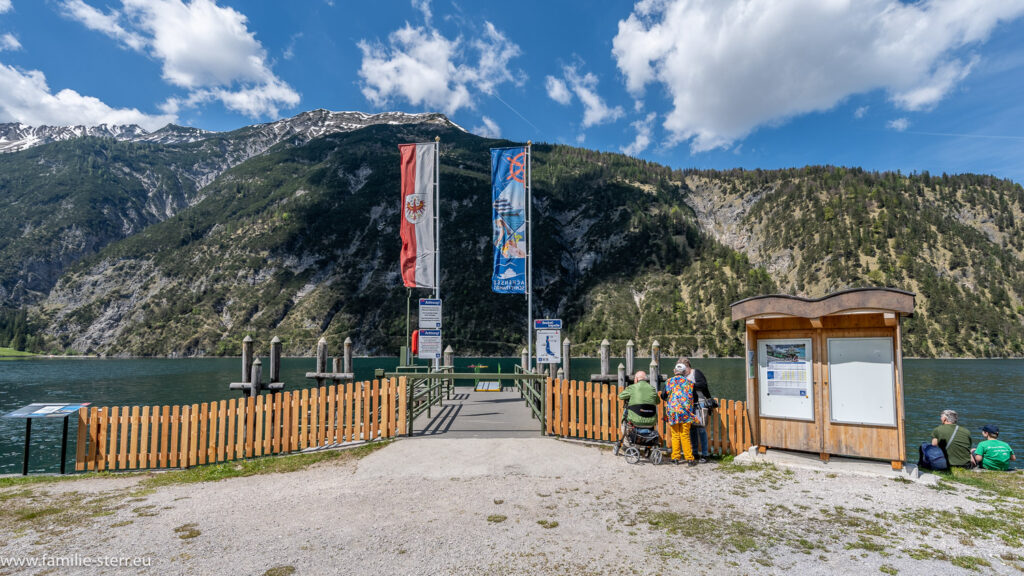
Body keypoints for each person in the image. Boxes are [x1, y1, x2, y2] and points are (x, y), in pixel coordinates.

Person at [678, 358, 713, 462]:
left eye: (683, 369)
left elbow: (703, 385)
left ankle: (705, 454)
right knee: (692, 429)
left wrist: (690, 384)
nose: (682, 371)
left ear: (688, 366)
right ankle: (695, 452)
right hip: (688, 405)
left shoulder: (696, 373)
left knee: (701, 429)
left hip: (700, 403)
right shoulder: (681, 376)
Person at [662, 362, 697, 466]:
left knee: (675, 435)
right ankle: (689, 459)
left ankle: (675, 458)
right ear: (685, 372)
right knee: (685, 435)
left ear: (674, 371)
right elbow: (695, 397)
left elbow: (663, 395)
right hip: (686, 412)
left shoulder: (669, 382)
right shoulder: (690, 383)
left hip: (673, 412)